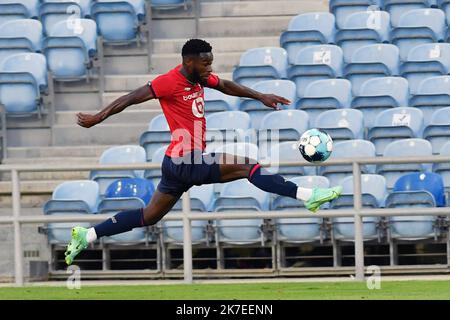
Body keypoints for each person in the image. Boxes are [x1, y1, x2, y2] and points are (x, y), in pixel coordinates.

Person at [65, 39, 342, 265]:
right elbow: (129, 98)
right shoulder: (167, 82)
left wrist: (261, 96)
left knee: (149, 216)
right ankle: (307, 196)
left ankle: (87, 234)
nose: (210, 67)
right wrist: (98, 118)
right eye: (206, 62)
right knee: (249, 166)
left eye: (211, 61)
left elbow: (225, 85)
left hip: (176, 164)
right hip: (186, 159)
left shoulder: (201, 78)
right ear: (189, 62)